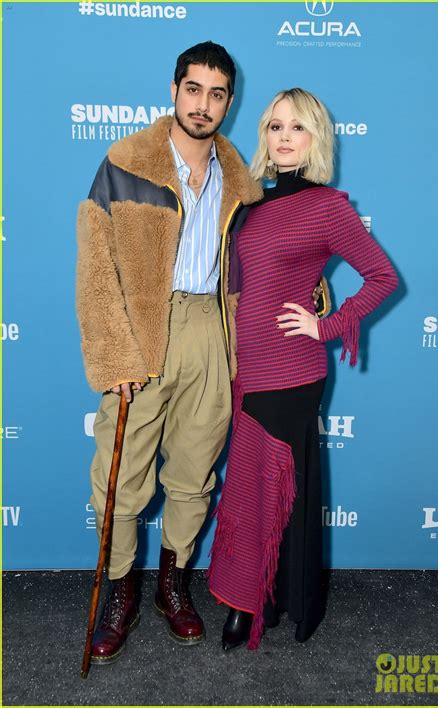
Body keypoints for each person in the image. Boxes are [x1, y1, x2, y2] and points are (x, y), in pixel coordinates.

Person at [76, 41, 263, 664]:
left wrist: (308, 292)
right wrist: (113, 353)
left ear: (228, 103)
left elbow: (263, 266)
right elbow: (96, 266)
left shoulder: (244, 183)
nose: (203, 104)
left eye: (216, 94)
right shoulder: (126, 162)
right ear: (174, 90)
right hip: (143, 330)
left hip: (212, 329)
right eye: (193, 89)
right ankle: (121, 590)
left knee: (192, 476)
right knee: (120, 479)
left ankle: (172, 586)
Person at [208, 88, 399, 651]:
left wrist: (327, 325)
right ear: (264, 136)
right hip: (245, 366)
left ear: (316, 138)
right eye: (274, 126)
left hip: (292, 370)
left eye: (297, 128)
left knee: (271, 485)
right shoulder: (249, 204)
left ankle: (258, 604)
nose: (284, 137)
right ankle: (261, 594)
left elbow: (383, 278)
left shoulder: (328, 207)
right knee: (249, 485)